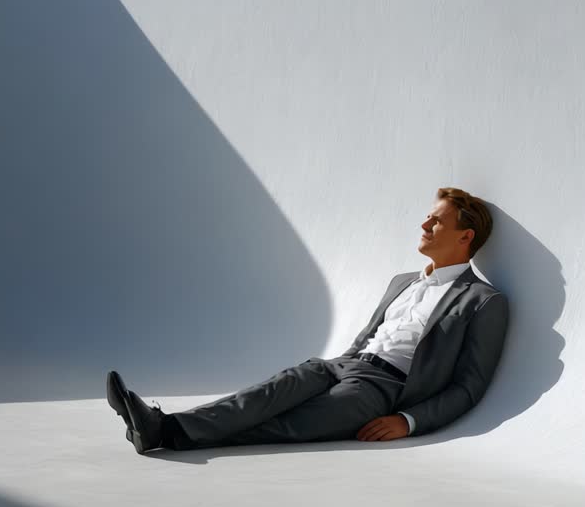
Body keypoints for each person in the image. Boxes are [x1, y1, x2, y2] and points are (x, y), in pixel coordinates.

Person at [107, 186, 510, 454]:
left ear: (465, 237)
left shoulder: (482, 300)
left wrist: (409, 420)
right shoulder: (402, 281)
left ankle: (160, 429)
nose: (424, 225)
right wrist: (343, 362)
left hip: (383, 389)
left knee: (290, 424)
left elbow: (468, 387)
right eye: (428, 217)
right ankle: (159, 426)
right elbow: (369, 336)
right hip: (341, 364)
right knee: (261, 397)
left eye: (437, 221)